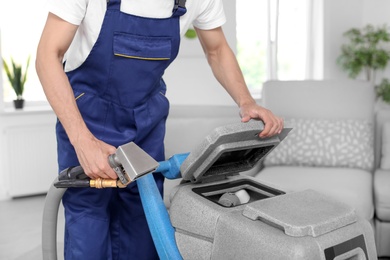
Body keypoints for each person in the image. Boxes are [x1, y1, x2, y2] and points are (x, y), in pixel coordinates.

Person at [36, 0, 284, 259]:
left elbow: (217, 49)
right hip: (87, 119)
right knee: (89, 226)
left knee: (144, 221)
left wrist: (247, 102)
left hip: (146, 120)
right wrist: (82, 141)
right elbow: (47, 55)